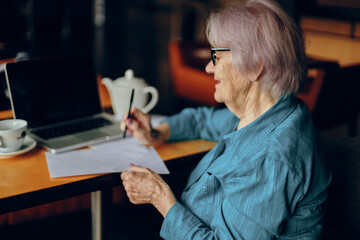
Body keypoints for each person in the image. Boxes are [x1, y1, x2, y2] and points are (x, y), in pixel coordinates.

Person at [116, 0, 331, 239]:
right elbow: (202, 121)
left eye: (216, 55)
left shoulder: (270, 159)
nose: (209, 67)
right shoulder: (270, 112)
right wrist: (157, 133)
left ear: (255, 66)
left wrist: (160, 198)